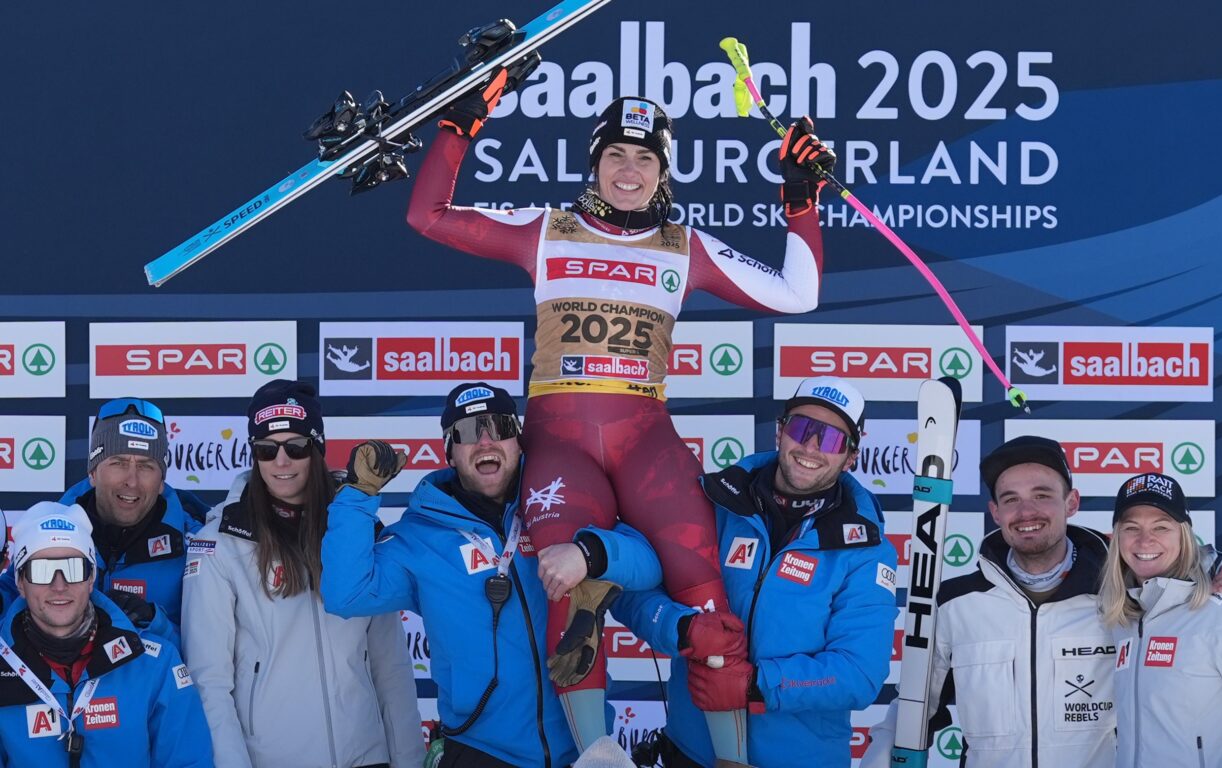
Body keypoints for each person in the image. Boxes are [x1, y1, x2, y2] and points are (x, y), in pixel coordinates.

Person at [407, 63, 837, 754]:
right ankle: (594, 757)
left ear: (662, 172)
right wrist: (459, 130)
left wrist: (798, 199)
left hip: (648, 446)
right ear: (595, 163)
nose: (629, 169)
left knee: (706, 595)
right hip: (561, 445)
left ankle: (727, 756)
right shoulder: (545, 230)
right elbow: (425, 215)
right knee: (563, 586)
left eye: (645, 157)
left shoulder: (685, 247)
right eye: (616, 154)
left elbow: (798, 293)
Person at [863, 436, 1222, 768]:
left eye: (1042, 495)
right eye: (1010, 499)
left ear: (1071, 503)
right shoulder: (957, 602)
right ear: (994, 512)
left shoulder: (1120, 595)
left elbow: (1169, 566)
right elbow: (915, 706)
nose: (1027, 512)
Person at [321, 382, 664, 768]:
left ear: (518, 440)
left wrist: (589, 554)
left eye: (499, 427)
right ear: (449, 451)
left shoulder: (561, 503)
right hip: (482, 753)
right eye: (468, 433)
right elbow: (345, 594)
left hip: (583, 746)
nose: (486, 442)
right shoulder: (420, 536)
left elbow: (650, 563)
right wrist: (357, 495)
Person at [610, 377, 898, 768]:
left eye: (831, 439)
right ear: (780, 431)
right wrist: (682, 629)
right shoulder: (712, 503)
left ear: (850, 456)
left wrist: (755, 685)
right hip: (694, 754)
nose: (811, 447)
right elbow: (633, 591)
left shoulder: (867, 549)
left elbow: (859, 673)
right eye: (801, 428)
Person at [181, 380, 423, 768]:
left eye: (295, 447)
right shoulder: (219, 543)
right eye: (266, 449)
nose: (281, 462)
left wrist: (409, 761)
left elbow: (390, 666)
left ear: (317, 450)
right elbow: (209, 681)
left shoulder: (354, 531)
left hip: (365, 757)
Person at [0, 501, 212, 767]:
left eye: (73, 568)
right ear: (20, 582)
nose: (59, 585)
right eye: (42, 571)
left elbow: (189, 762)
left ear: (91, 580)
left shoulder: (154, 663)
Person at [1102, 472, 1222, 767]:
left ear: (1184, 536)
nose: (1145, 540)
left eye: (1161, 527)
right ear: (1117, 538)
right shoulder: (1123, 620)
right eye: (1131, 528)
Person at [1, 397, 208, 633]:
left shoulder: (197, 545)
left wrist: (153, 621)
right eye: (118, 463)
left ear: (161, 480)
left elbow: (209, 648)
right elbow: (13, 589)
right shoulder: (50, 530)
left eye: (145, 466)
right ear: (93, 472)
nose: (131, 481)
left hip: (149, 669)